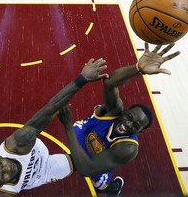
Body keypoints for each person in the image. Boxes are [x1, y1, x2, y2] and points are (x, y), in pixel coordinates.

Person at [57, 42, 180, 196]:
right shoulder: (116, 110)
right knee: (66, 150)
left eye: (135, 125)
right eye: (129, 117)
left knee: (100, 186)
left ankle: (112, 191)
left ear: (139, 132)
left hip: (96, 161)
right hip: (83, 133)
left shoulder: (128, 148)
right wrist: (138, 69)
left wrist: (67, 125)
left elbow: (86, 169)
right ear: (125, 111)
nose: (127, 124)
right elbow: (109, 82)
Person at [0, 57, 109, 196]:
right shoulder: (3, 193)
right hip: (43, 172)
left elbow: (50, 109)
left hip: (34, 151)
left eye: (1, 165)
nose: (8, 169)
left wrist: (82, 79)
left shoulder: (18, 143)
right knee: (81, 163)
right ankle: (104, 187)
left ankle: (102, 115)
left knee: (84, 160)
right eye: (3, 176)